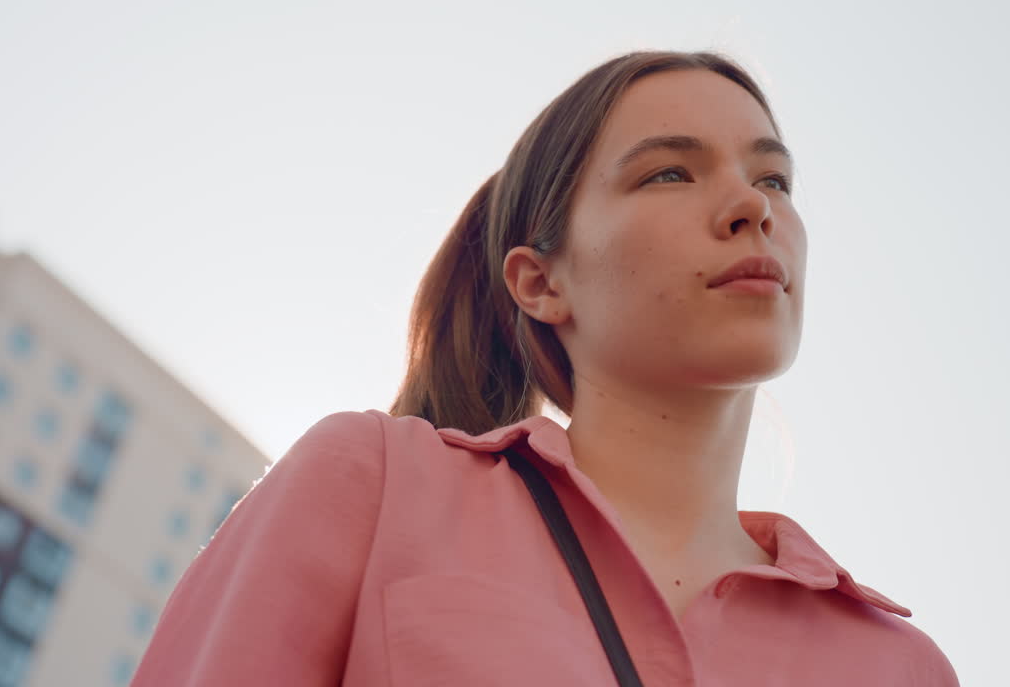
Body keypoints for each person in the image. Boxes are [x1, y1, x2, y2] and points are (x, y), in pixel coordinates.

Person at [129, 50, 959, 686]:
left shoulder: (903, 666)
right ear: (540, 281)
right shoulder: (376, 481)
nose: (755, 207)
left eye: (773, 176)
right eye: (670, 172)